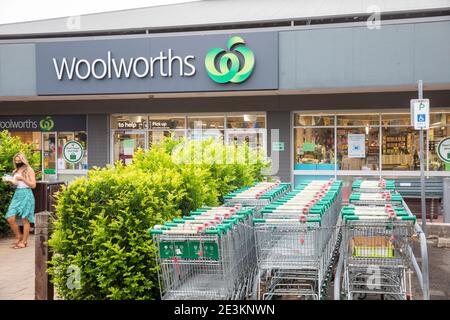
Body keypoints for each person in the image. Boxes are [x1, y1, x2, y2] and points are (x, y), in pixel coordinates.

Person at [4, 153, 36, 249]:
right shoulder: (16, 170)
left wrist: (22, 178)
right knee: (10, 217)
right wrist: (10, 182)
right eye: (16, 161)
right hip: (17, 194)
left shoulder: (29, 170)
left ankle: (24, 241)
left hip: (26, 194)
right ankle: (19, 236)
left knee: (24, 219)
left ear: (23, 160)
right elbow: (16, 185)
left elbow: (33, 185)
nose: (17, 162)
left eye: (19, 160)